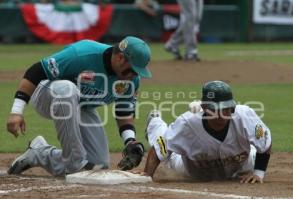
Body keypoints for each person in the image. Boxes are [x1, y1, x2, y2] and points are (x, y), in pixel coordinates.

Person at [6, 36, 151, 176]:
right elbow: (36, 71)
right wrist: (16, 111)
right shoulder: (83, 53)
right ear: (120, 57)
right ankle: (75, 162)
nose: (134, 75)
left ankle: (39, 154)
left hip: (81, 106)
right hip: (47, 93)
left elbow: (123, 111)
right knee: (67, 90)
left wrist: (130, 140)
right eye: (133, 69)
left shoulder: (131, 80)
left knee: (98, 165)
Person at [142, 80, 272, 183]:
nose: (222, 114)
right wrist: (147, 176)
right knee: (169, 154)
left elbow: (265, 143)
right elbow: (160, 148)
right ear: (204, 108)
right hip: (193, 171)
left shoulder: (244, 115)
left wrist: (258, 173)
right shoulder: (187, 123)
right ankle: (155, 123)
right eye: (216, 110)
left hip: (241, 165)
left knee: (253, 154)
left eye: (227, 109)